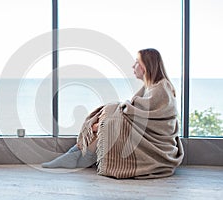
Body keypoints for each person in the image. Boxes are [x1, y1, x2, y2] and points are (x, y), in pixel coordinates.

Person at [42, 48, 184, 179]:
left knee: (110, 116)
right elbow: (137, 109)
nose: (133, 66)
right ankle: (75, 156)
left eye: (136, 62)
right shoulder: (151, 87)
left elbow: (148, 116)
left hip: (156, 143)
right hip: (143, 133)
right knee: (110, 116)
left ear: (146, 66)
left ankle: (75, 156)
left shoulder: (161, 88)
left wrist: (110, 115)